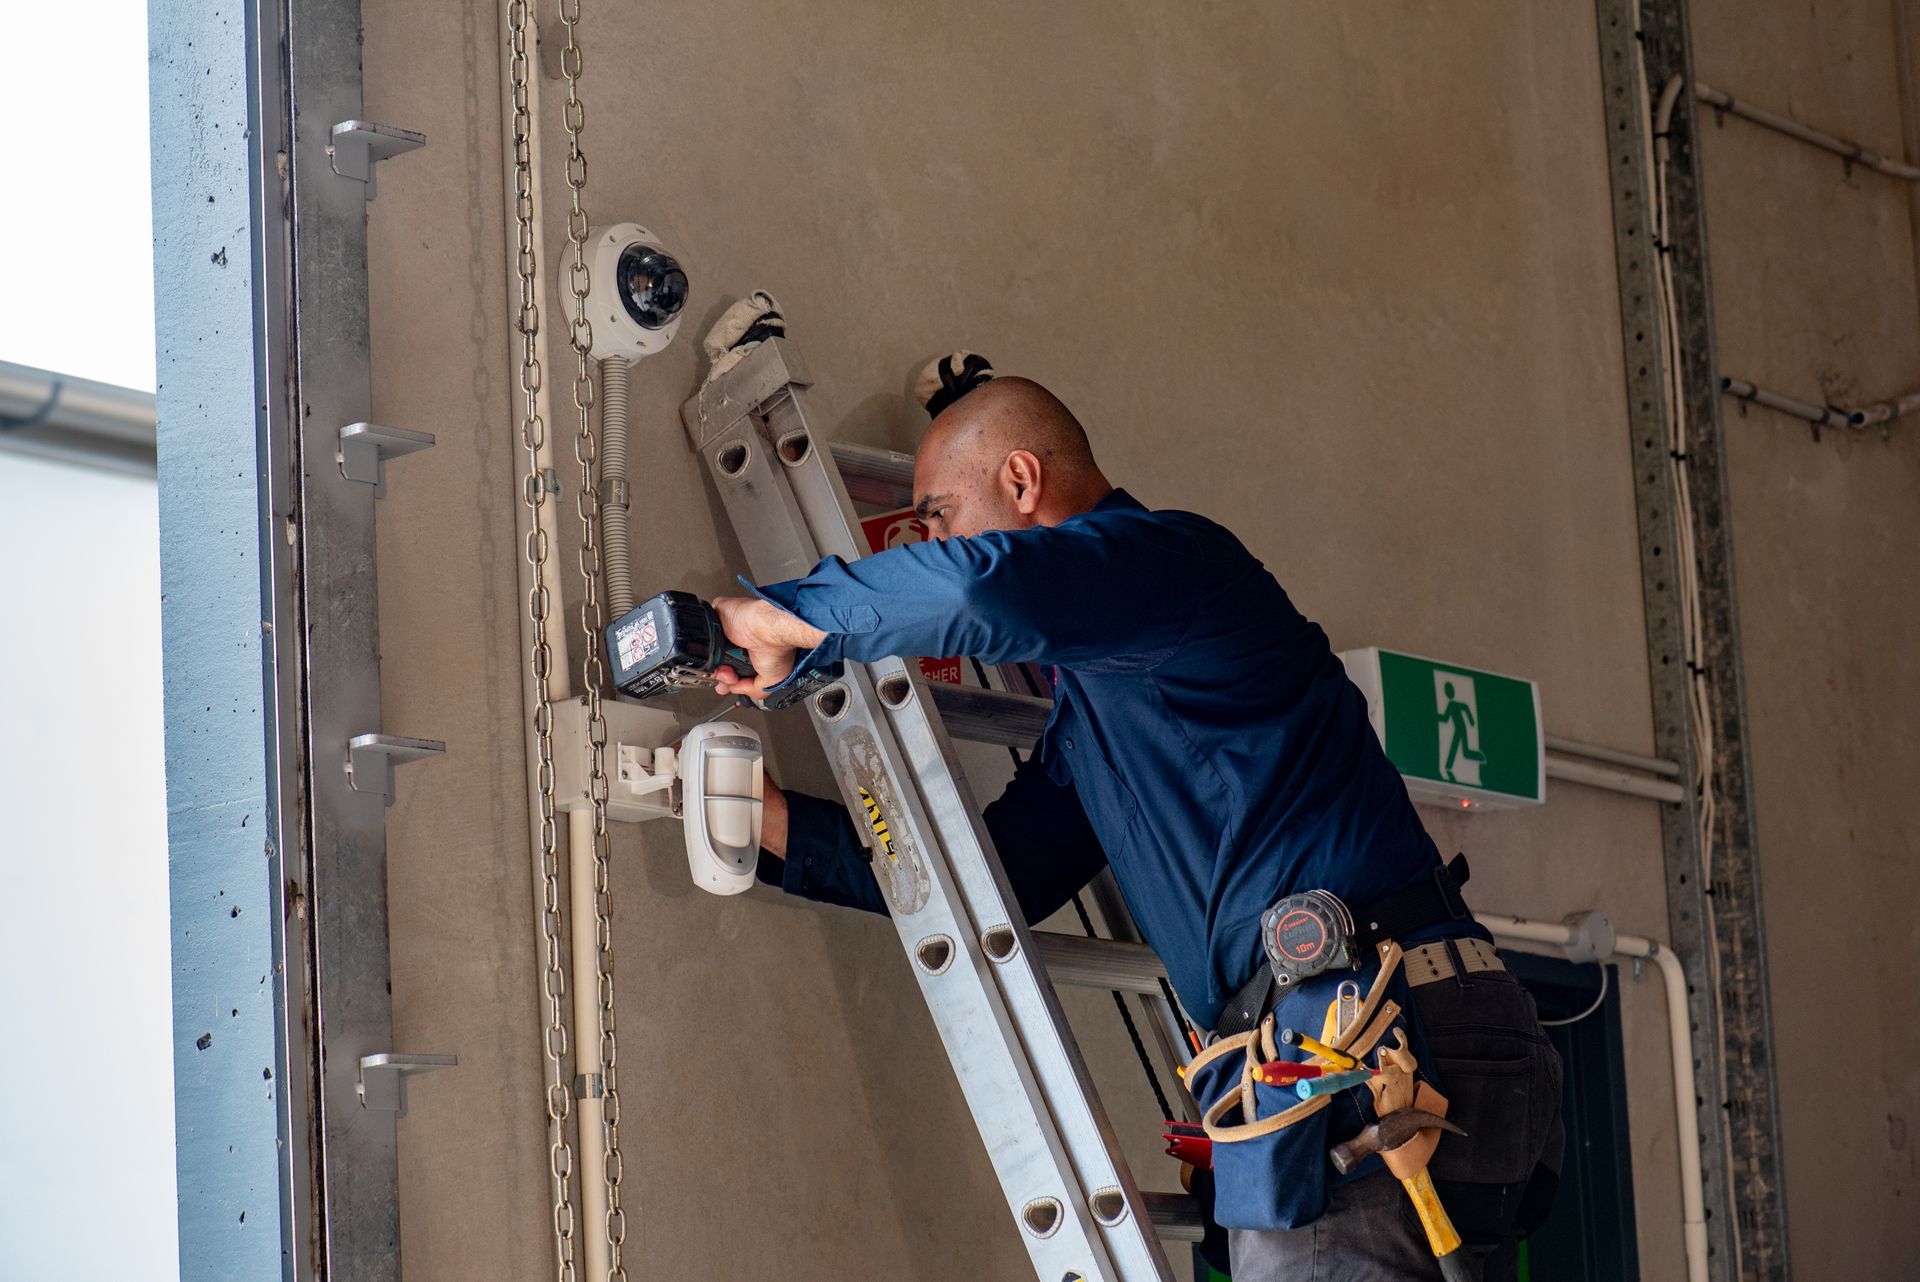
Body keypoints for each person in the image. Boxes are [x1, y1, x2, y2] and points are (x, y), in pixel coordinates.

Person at [709, 375, 1562, 1281]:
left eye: (943, 516)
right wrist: (775, 829)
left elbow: (991, 592)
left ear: (1023, 480)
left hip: (1369, 1033)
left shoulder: (1173, 562)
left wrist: (788, 618)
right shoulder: (1103, 720)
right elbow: (1004, 876)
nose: (936, 543)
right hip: (1401, 1037)